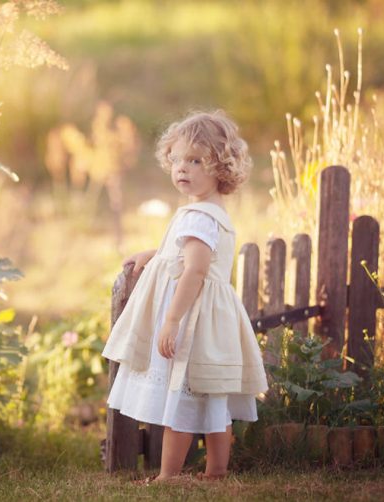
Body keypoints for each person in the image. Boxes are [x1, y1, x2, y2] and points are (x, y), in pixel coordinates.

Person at [102, 110, 269, 483]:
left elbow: (194, 270)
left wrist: (172, 320)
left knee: (179, 398)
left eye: (195, 161)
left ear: (220, 167)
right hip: (214, 317)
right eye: (177, 159)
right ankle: (216, 471)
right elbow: (185, 256)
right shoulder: (209, 212)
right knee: (212, 400)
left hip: (191, 318)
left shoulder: (198, 217)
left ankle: (167, 475)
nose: (183, 168)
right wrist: (152, 255)